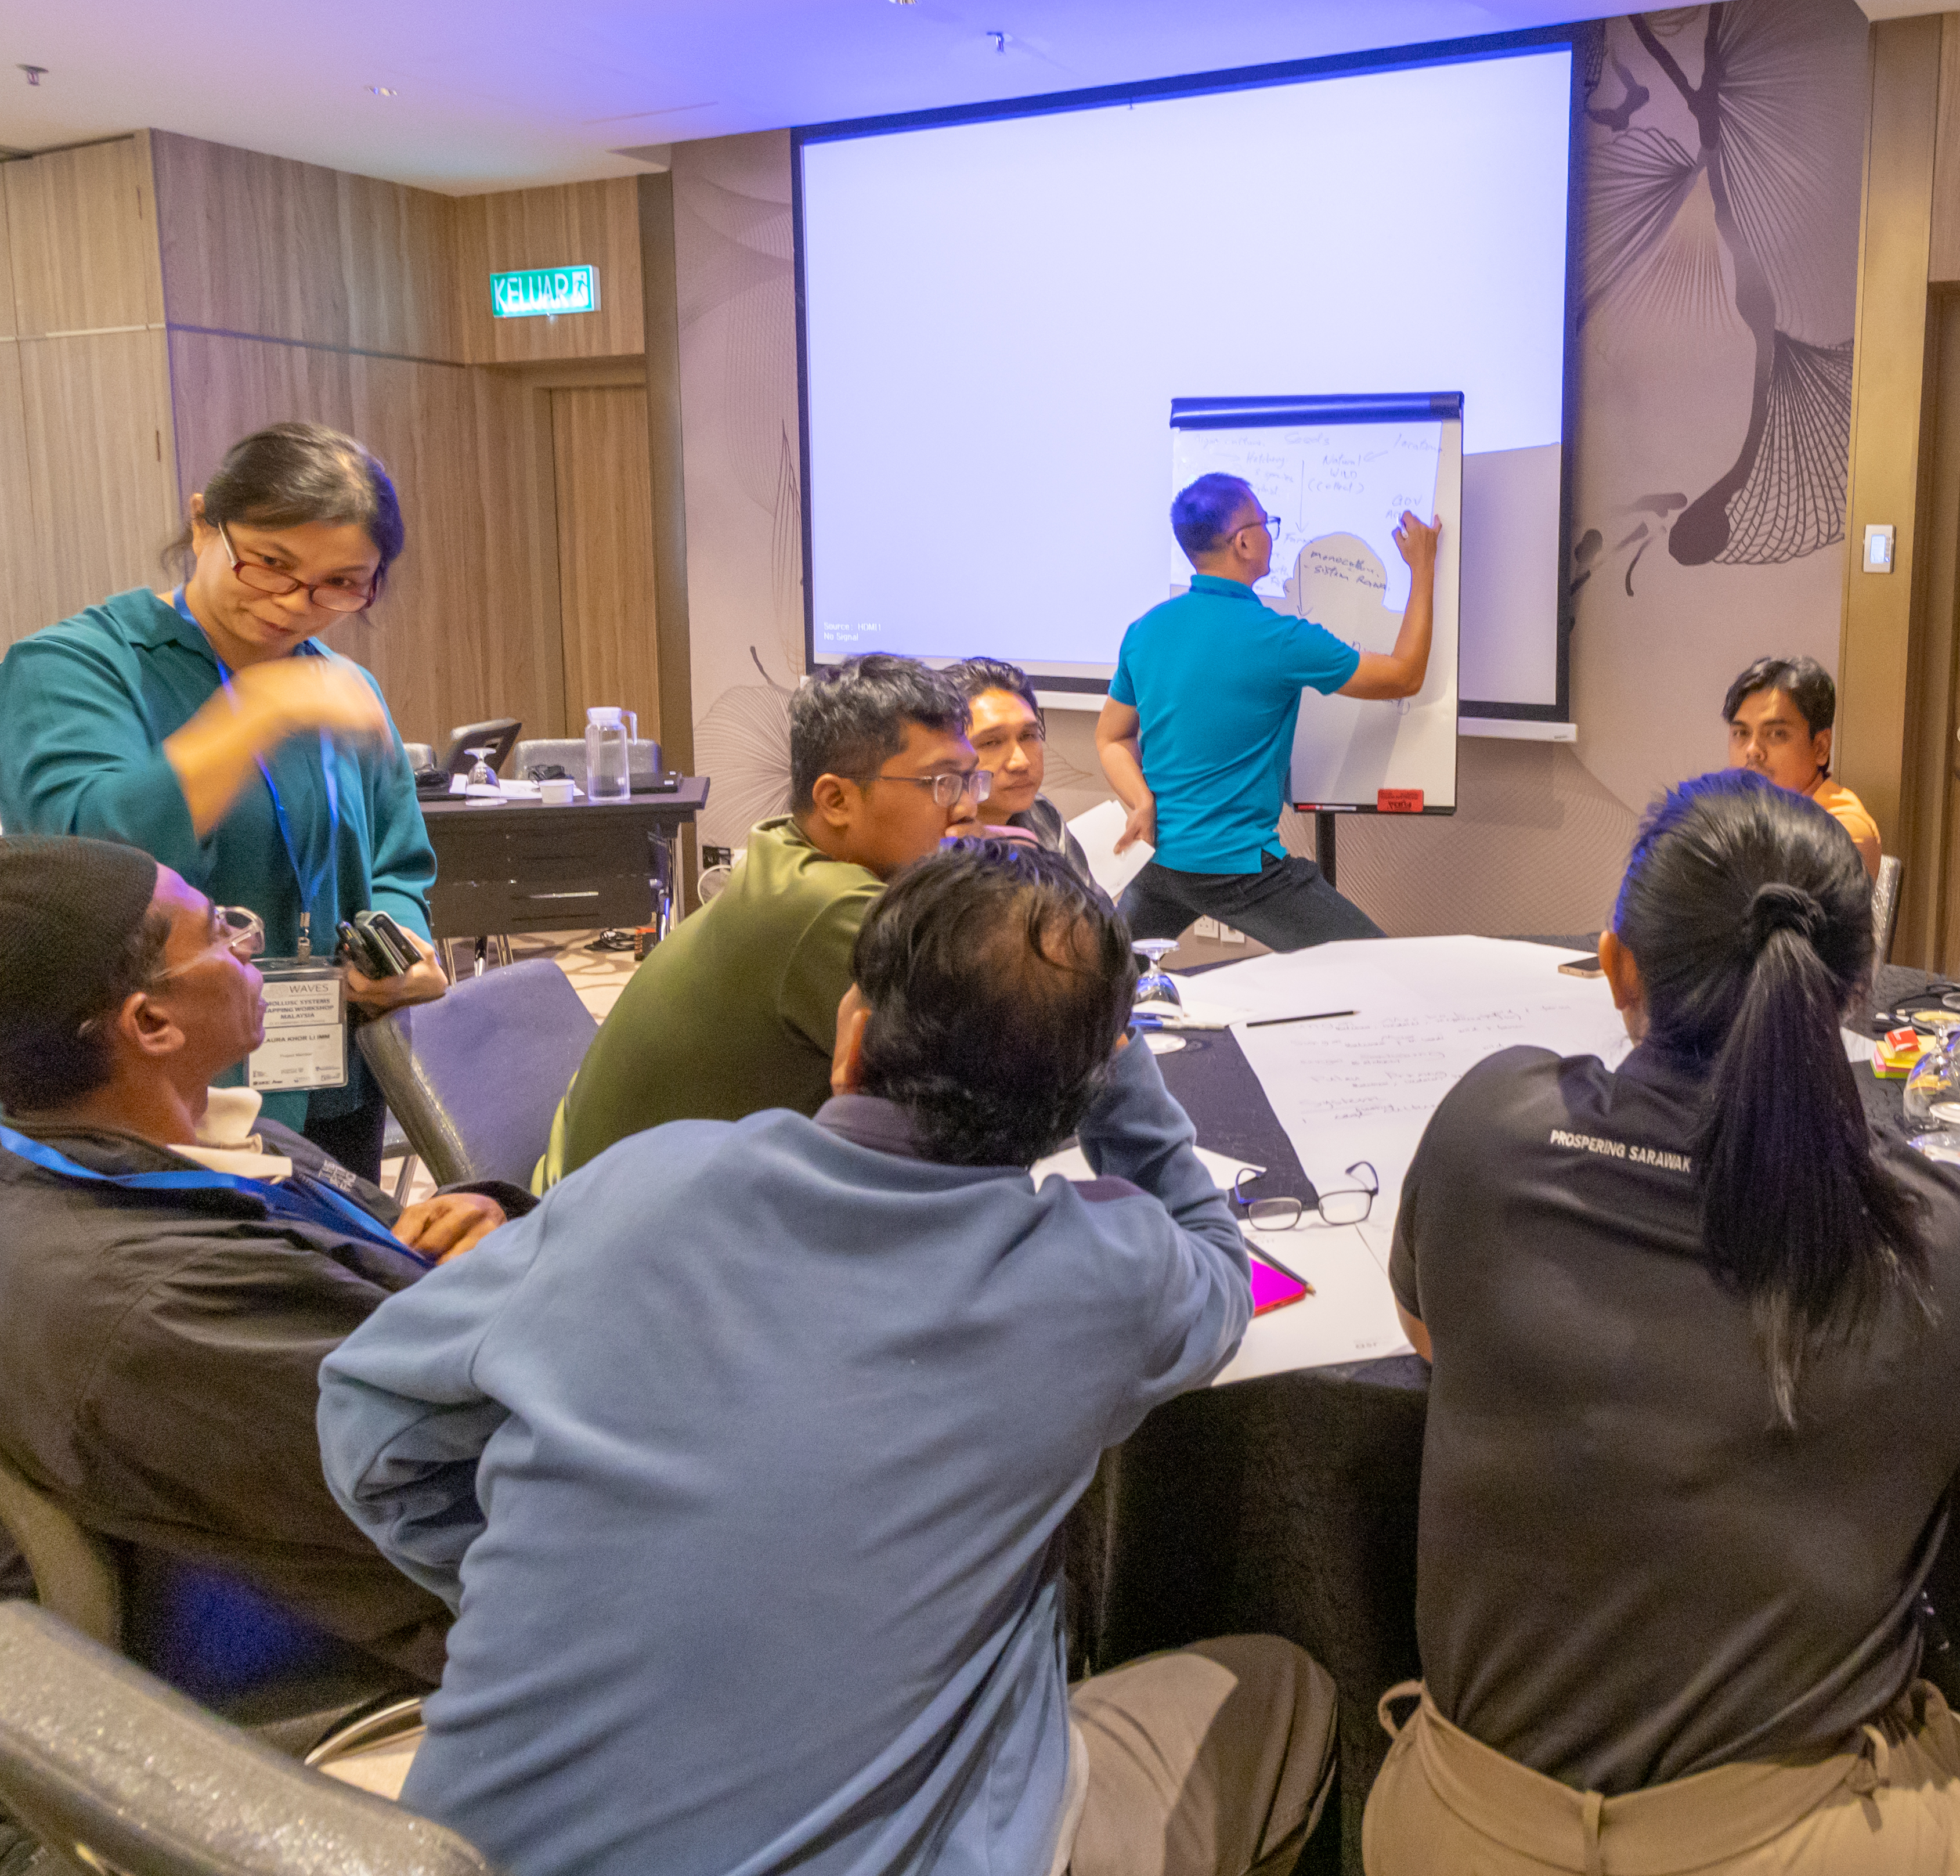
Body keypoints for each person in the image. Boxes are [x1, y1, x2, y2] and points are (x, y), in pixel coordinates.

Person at [320, 839, 1334, 1876]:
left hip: (464, 1850)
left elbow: (366, 1419)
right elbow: (1218, 1261)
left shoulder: (647, 1180)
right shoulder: (1099, 1274)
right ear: (1077, 1097)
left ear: (852, 1036)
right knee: (1286, 1688)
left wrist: (542, 1580)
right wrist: (1118, 1068)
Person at [1369, 770, 1960, 1872]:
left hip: (1458, 1825)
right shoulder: (1944, 1237)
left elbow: (1435, 1341)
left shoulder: (1488, 1127)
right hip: (1787, 1842)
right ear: (1857, 989)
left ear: (1616, 965)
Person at [0, 836, 529, 1876]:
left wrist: (486, 1220)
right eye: (221, 930)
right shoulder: (152, 1307)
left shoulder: (148, 1138)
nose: (249, 940)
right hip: (175, 1721)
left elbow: (367, 1291)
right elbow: (501, 1476)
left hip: (287, 1531)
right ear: (150, 1022)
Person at [0, 423, 446, 1179]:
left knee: (333, 1277)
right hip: (135, 1087)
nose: (297, 603)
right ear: (203, 523)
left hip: (318, 1068)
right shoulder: (66, 669)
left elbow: (395, 860)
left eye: (343, 582)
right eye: (270, 564)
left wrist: (401, 945)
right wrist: (253, 712)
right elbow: (91, 847)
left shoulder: (339, 686)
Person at [538, 653, 985, 1184]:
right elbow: (985, 1080)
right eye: (941, 783)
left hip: (611, 1182)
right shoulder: (831, 909)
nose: (966, 808)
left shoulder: (787, 846)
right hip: (615, 1228)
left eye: (969, 781)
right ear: (836, 799)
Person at [1097, 472, 1440, 950]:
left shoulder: (1145, 630)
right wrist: (1423, 569)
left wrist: (1142, 801)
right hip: (1237, 869)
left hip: (1159, 864)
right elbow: (1404, 676)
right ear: (1243, 542)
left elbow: (1110, 738)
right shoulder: (1280, 639)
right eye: (1265, 523)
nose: (1268, 534)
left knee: (1102, 977)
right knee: (1375, 963)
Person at [1722, 655, 1881, 882]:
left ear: (1821, 748)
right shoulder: (1735, 810)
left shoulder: (1841, 828)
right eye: (1741, 733)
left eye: (1776, 734)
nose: (1752, 750)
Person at [950, 655, 1095, 883]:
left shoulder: (1041, 813)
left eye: (1028, 736)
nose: (1021, 762)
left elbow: (1095, 912)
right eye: (991, 743)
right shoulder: (934, 844)